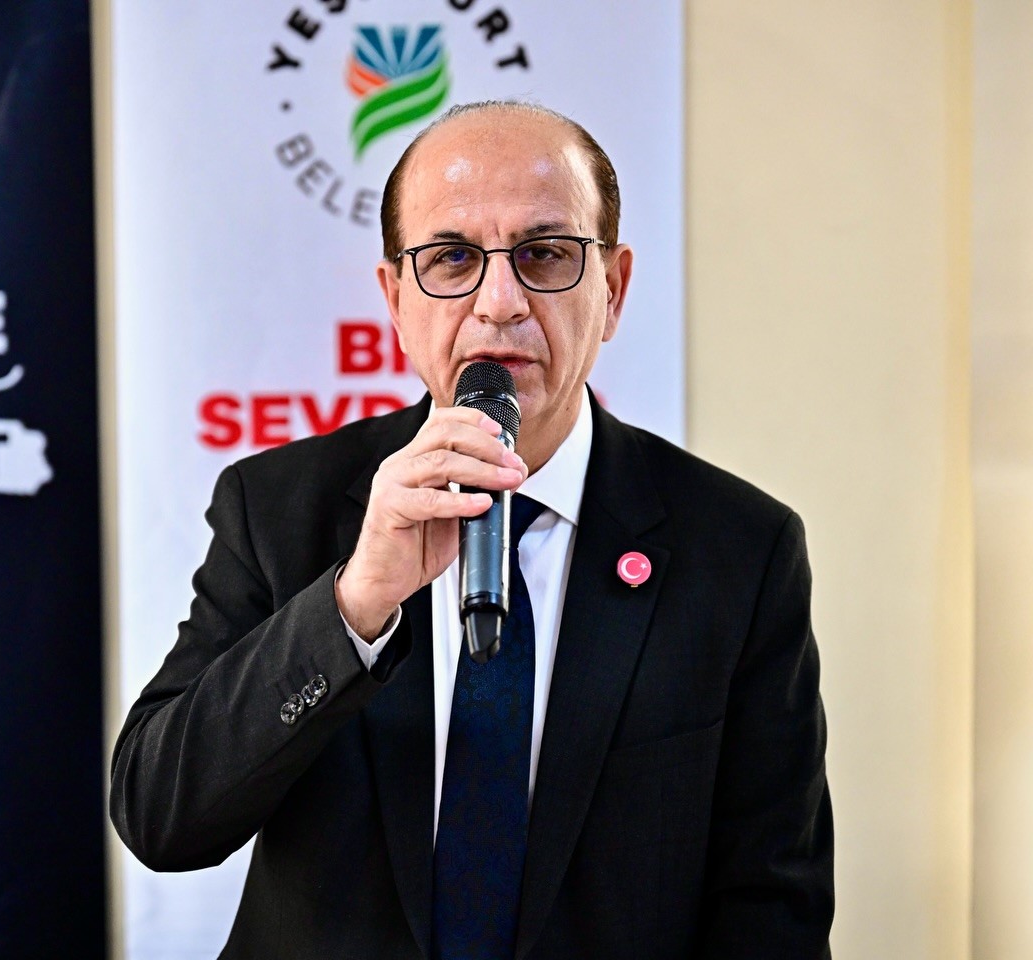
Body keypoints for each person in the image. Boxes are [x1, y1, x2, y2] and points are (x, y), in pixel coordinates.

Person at [110, 100, 834, 959]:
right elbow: (160, 818)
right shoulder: (279, 508)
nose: (500, 304)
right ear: (395, 299)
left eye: (545, 254)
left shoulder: (740, 549)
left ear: (613, 290)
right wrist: (352, 607)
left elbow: (772, 907)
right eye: (452, 258)